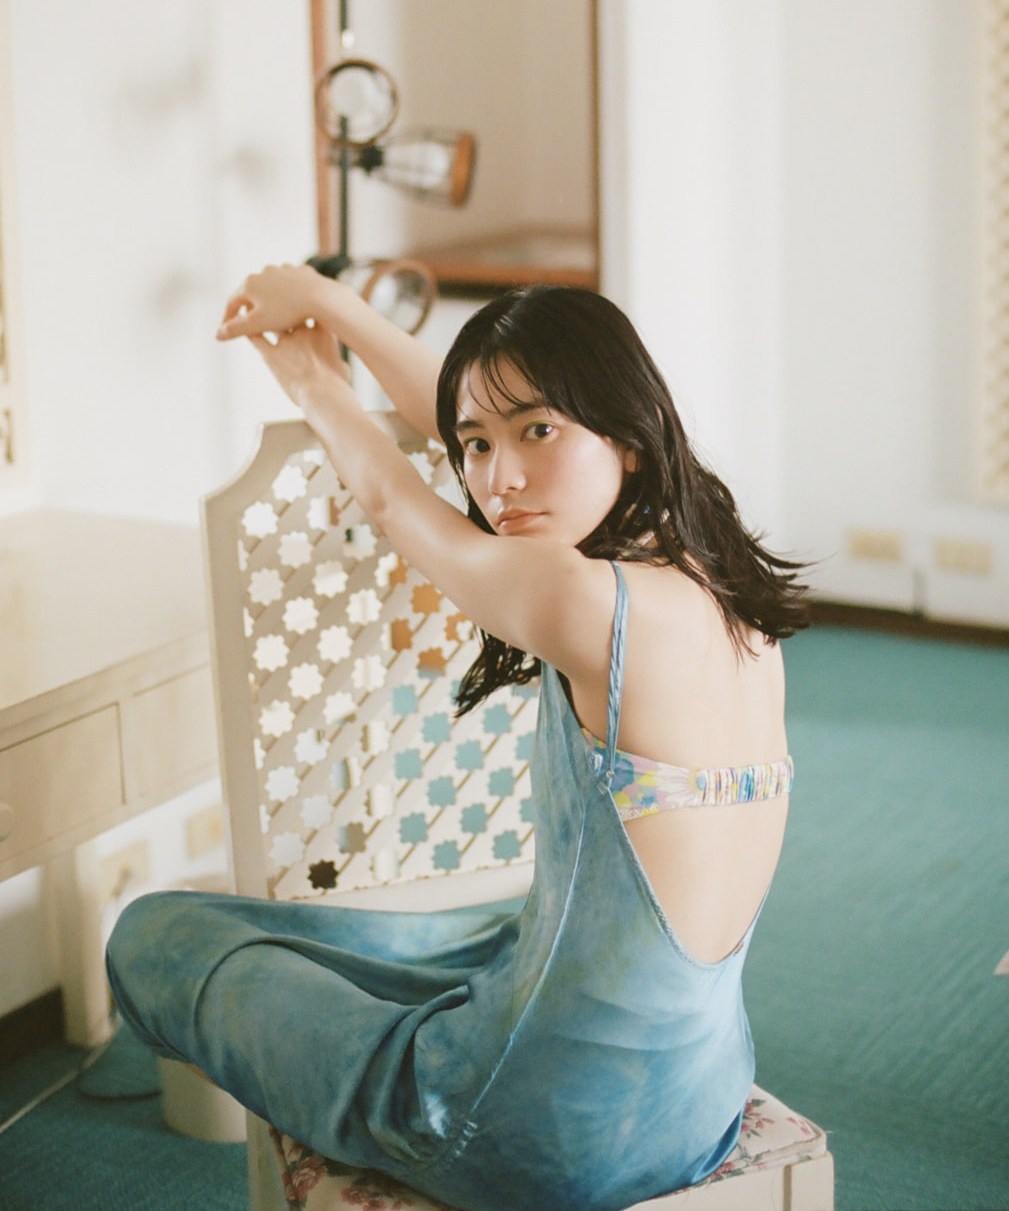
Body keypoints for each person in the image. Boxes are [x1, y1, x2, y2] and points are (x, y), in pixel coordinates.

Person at [106, 264, 807, 1211]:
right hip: (695, 1108)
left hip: (527, 1129)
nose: (496, 478)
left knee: (156, 932)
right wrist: (336, 307)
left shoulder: (577, 597)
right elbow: (473, 422)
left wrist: (312, 374)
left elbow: (396, 503)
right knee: (374, 938)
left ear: (629, 439)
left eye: (537, 433)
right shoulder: (722, 593)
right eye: (476, 445)